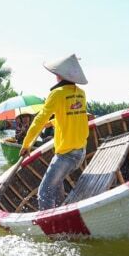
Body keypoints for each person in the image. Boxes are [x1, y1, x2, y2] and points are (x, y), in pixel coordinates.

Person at [19, 54, 89, 210]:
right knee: (56, 186)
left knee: (44, 192)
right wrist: (53, 122)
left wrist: (26, 144)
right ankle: (61, 214)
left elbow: (39, 120)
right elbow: (74, 116)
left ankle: (49, 229)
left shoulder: (57, 94)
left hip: (66, 155)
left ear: (59, 75)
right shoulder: (81, 94)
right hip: (81, 152)